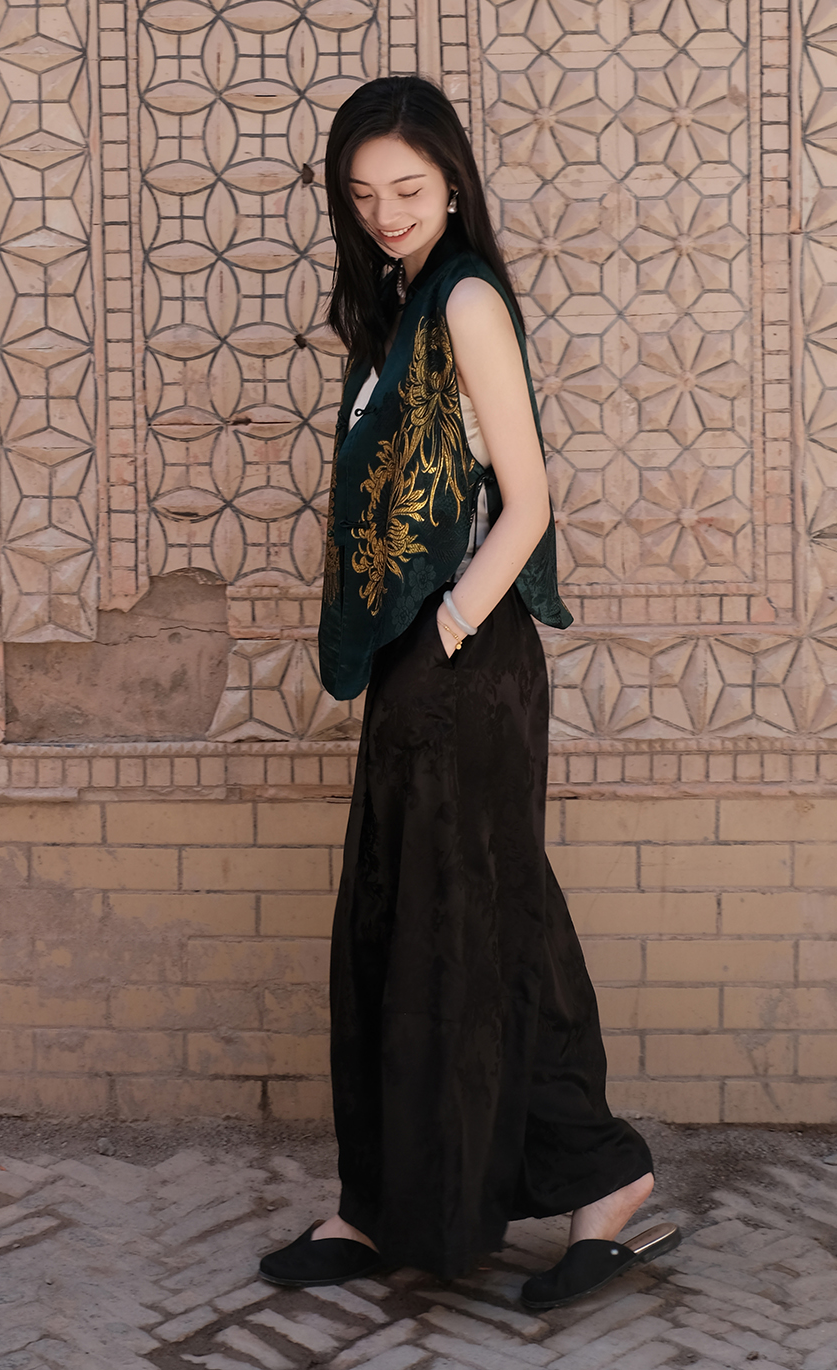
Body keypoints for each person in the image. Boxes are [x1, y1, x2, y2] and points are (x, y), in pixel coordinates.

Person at [258, 77, 679, 1310]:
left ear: (451, 182)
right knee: (411, 925)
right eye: (362, 195)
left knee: (473, 927)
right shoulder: (399, 307)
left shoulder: (466, 299)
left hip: (464, 659)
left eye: (407, 187)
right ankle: (389, 1203)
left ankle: (599, 1179)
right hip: (423, 662)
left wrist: (443, 630)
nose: (385, 212)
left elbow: (528, 499)